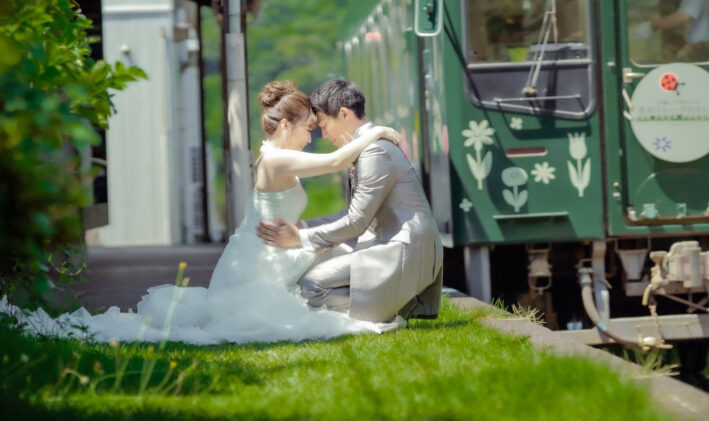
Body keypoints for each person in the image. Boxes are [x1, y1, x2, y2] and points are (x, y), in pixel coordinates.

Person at [0, 81, 405, 344]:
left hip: (267, 250)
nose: (309, 137)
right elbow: (335, 163)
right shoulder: (277, 160)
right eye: (306, 130)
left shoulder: (274, 155)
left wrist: (299, 228)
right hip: (258, 263)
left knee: (336, 253)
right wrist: (379, 133)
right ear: (284, 126)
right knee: (317, 277)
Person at [258, 78, 443, 324]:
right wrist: (305, 227)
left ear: (343, 113)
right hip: (388, 243)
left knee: (311, 285)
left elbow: (356, 222)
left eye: (323, 124)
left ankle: (389, 309)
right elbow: (352, 213)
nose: (322, 134)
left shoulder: (375, 150)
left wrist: (300, 238)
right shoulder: (366, 147)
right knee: (307, 275)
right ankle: (385, 304)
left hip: (402, 249)